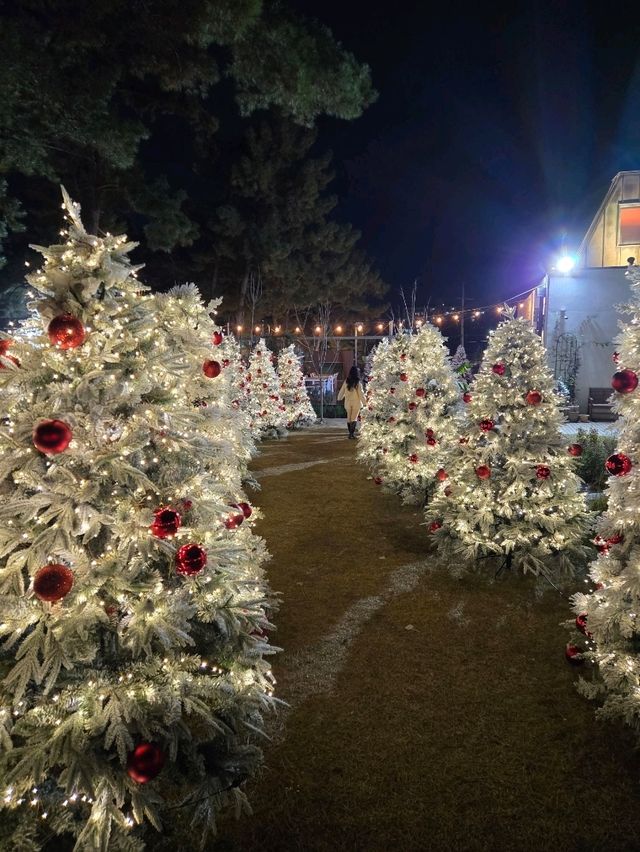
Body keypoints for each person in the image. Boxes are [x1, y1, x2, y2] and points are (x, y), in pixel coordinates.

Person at [337, 365, 366, 439]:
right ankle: (351, 434)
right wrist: (365, 403)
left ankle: (350, 434)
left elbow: (342, 391)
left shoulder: (346, 381)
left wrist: (339, 398)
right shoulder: (357, 383)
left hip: (347, 402)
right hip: (356, 403)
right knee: (354, 418)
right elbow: (361, 394)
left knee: (349, 417)